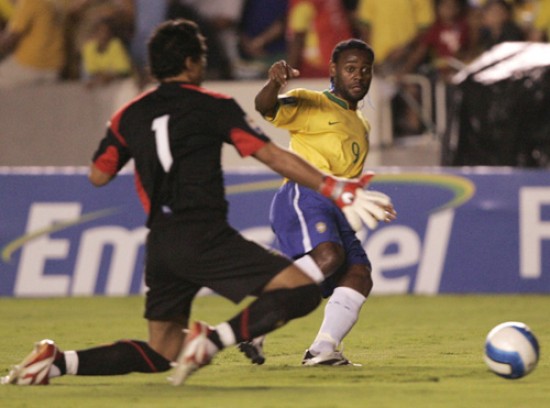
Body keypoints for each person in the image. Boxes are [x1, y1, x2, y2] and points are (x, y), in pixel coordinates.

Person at [1, 19, 394, 387]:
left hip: (161, 243)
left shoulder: (128, 115)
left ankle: (56, 362)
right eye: (202, 60)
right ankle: (216, 337)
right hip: (205, 235)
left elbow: (99, 175)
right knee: (304, 290)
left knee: (162, 351)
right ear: (191, 63)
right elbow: (270, 154)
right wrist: (334, 188)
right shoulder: (213, 105)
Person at [239, 39, 397, 366]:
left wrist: (366, 199)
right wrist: (274, 83)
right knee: (329, 255)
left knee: (359, 274)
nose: (359, 76)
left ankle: (324, 348)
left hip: (335, 207)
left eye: (365, 70)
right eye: (351, 69)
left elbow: (346, 178)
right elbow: (265, 107)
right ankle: (254, 321)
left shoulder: (361, 124)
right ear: (333, 71)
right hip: (304, 192)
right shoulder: (312, 102)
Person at [0, 0, 67, 88]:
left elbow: (10, 39)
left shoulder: (29, 3)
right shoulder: (55, 3)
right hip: (55, 64)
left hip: (31, 64)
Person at [286, 0, 355, 78]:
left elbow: (298, 40)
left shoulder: (303, 4)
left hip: (321, 68)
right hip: (345, 59)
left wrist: (287, 74)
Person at [80, 16, 132, 88]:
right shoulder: (89, 48)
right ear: (95, 34)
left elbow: (123, 70)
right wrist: (101, 76)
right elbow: (90, 71)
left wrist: (110, 76)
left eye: (106, 32)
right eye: (100, 32)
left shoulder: (115, 45)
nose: (103, 35)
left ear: (111, 34)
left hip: (117, 86)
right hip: (96, 86)